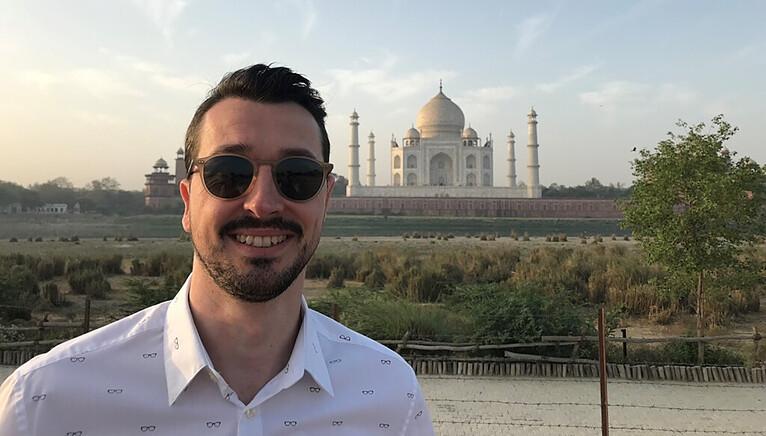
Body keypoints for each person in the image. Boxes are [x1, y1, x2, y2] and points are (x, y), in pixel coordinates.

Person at [0, 64, 434, 435]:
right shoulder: (46, 403)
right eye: (229, 173)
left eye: (297, 176)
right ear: (187, 201)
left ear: (326, 199)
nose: (262, 203)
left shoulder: (389, 395)